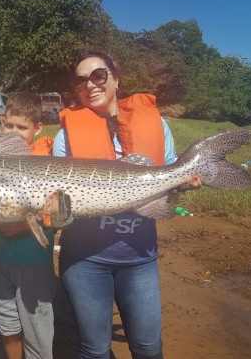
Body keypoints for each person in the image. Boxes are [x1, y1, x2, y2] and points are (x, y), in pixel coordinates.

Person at [53, 50, 199, 359]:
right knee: (94, 349)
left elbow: (170, 191)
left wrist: (183, 184)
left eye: (98, 76)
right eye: (80, 81)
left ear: (116, 80)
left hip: (140, 259)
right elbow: (58, 211)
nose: (89, 85)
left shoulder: (157, 126)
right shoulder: (65, 137)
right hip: (84, 262)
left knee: (148, 347)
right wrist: (51, 211)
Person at [0, 91, 56, 359]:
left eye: (22, 127)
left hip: (33, 260)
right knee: (7, 323)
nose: (13, 133)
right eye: (8, 125)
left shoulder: (48, 164)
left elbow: (60, 214)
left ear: (38, 129)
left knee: (37, 326)